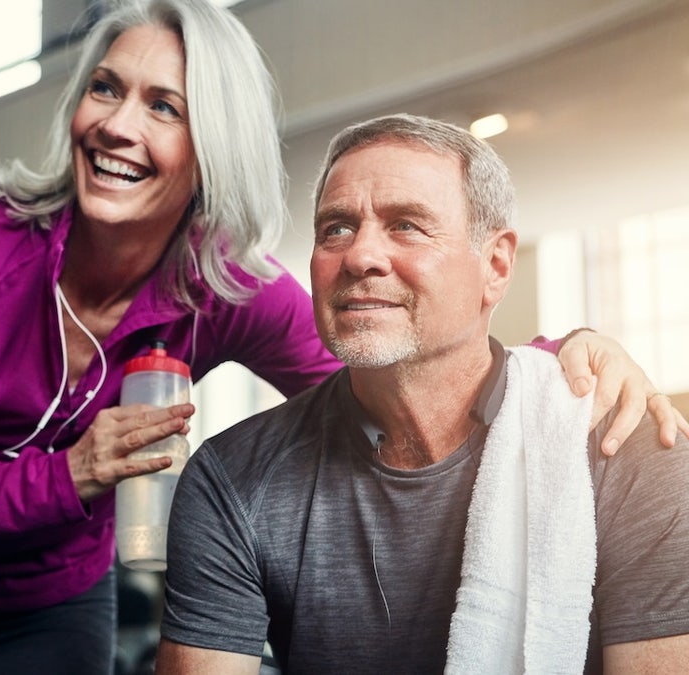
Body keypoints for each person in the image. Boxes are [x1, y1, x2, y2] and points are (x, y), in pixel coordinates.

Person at [0, 0, 688, 671]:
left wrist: (567, 356)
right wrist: (67, 476)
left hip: (42, 601)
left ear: (211, 147)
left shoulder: (220, 285)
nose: (115, 125)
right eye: (105, 89)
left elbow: (391, 356)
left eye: (163, 107)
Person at [156, 113, 689, 674]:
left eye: (406, 224)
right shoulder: (232, 478)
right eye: (335, 228)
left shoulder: (628, 451)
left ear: (497, 266)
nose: (359, 256)